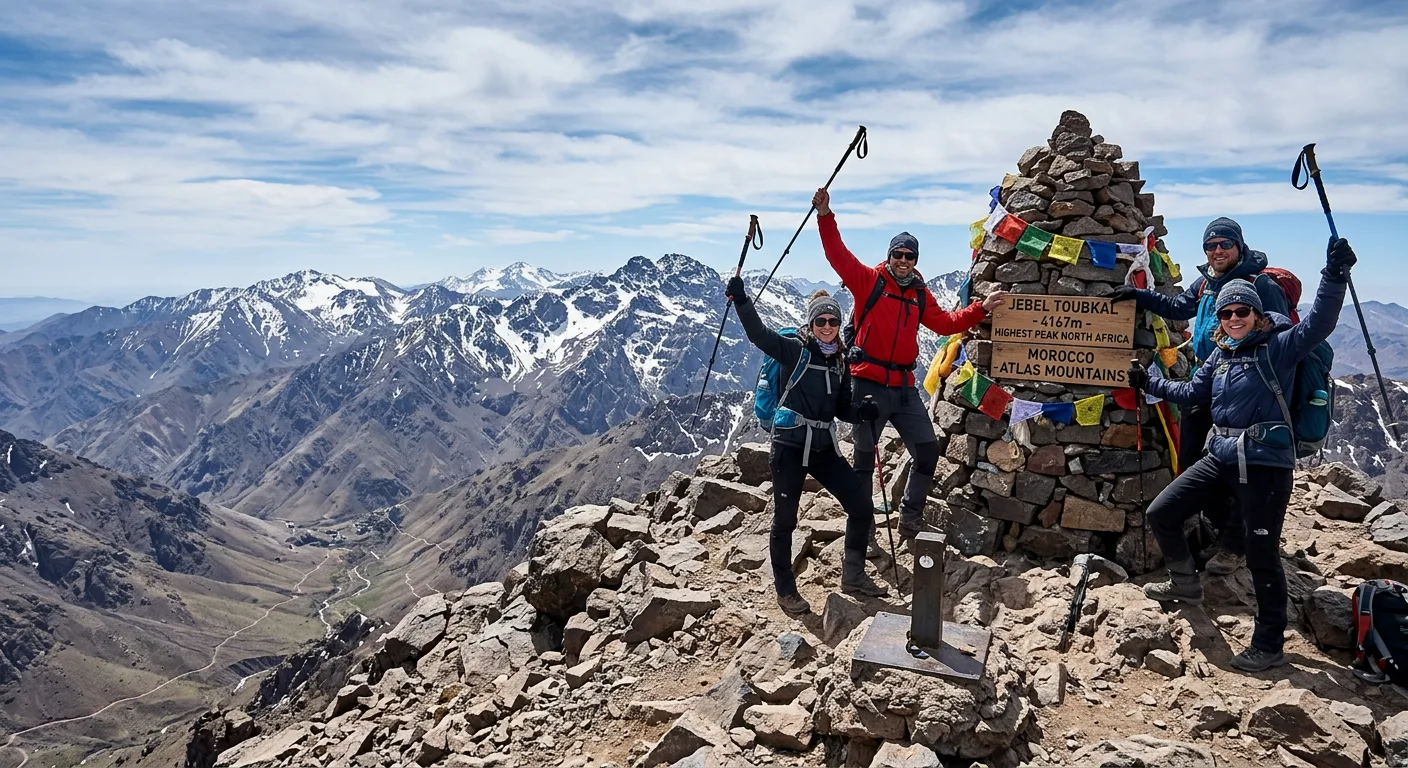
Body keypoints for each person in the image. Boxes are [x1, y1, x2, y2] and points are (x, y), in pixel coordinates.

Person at [1127, 238, 1355, 673]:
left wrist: (1334, 275)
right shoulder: (1221, 355)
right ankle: (1185, 585)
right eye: (1226, 313)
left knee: (1261, 555)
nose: (1233, 318)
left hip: (1265, 465)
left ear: (1257, 314)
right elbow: (1191, 392)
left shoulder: (1279, 346)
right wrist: (1149, 383)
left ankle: (1268, 644)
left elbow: (1321, 322)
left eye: (1242, 312)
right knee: (1162, 512)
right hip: (1221, 457)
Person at [811, 188, 1008, 538]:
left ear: (916, 260)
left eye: (909, 255)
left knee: (927, 452)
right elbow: (837, 255)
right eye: (898, 254)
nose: (903, 260)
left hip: (903, 388)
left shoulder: (919, 293)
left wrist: (981, 308)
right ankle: (863, 528)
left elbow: (945, 323)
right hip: (868, 384)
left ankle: (910, 517)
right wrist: (826, 215)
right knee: (863, 462)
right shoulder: (870, 281)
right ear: (889, 256)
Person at [1111, 217, 1290, 576]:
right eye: (1211, 245)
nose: (1217, 251)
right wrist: (1139, 295)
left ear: (1239, 246)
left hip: (1246, 392)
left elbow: (1281, 339)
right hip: (1207, 382)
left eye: (1225, 244)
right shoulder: (1207, 281)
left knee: (1240, 468)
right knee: (1196, 461)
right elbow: (1179, 308)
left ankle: (1234, 545)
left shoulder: (1261, 284)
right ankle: (1218, 529)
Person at [726, 276, 889, 616]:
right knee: (785, 520)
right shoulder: (794, 349)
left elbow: (841, 408)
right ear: (811, 323)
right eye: (821, 321)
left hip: (823, 447)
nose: (827, 327)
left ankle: (853, 576)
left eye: (833, 321)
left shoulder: (840, 360)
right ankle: (786, 590)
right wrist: (741, 300)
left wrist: (861, 412)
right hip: (789, 445)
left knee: (861, 506)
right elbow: (759, 335)